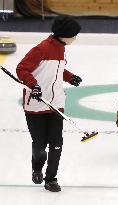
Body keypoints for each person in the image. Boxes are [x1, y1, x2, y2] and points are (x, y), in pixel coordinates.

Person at [16, 16, 82, 192]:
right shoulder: (42, 48)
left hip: (56, 103)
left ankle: (51, 179)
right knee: (39, 145)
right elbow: (21, 69)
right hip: (36, 105)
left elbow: (56, 70)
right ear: (64, 34)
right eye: (74, 35)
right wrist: (33, 85)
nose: (75, 38)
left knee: (56, 143)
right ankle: (37, 167)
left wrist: (69, 77)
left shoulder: (61, 48)